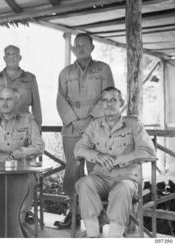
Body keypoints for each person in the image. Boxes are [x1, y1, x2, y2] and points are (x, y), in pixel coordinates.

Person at [74, 87, 156, 237]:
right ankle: (92, 234)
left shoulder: (133, 125)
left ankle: (114, 236)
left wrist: (121, 160)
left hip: (127, 178)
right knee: (84, 183)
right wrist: (97, 155)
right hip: (101, 177)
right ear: (101, 104)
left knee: (122, 189)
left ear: (121, 103)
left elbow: (149, 152)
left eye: (113, 100)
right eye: (104, 101)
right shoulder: (94, 125)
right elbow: (79, 149)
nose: (108, 104)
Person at [55, 33, 115, 228]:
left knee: (96, 171)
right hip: (72, 130)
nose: (80, 48)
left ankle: (97, 215)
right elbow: (60, 99)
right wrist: (74, 120)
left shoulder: (103, 69)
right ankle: (73, 214)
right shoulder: (65, 73)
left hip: (97, 130)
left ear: (92, 47)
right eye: (76, 45)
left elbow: (110, 97)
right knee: (72, 170)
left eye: (84, 44)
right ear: (73, 49)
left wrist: (89, 120)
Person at [0, 87, 44, 236]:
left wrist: (17, 153)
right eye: (2, 99)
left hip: (22, 168)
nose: (4, 103)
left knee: (28, 181)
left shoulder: (28, 121)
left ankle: (18, 222)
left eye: (9, 99)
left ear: (17, 101)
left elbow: (39, 146)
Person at [0, 45, 42, 128]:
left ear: (20, 58)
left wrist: (37, 131)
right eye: (8, 54)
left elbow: (37, 108)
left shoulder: (30, 79)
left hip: (22, 131)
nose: (11, 57)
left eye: (15, 54)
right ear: (4, 58)